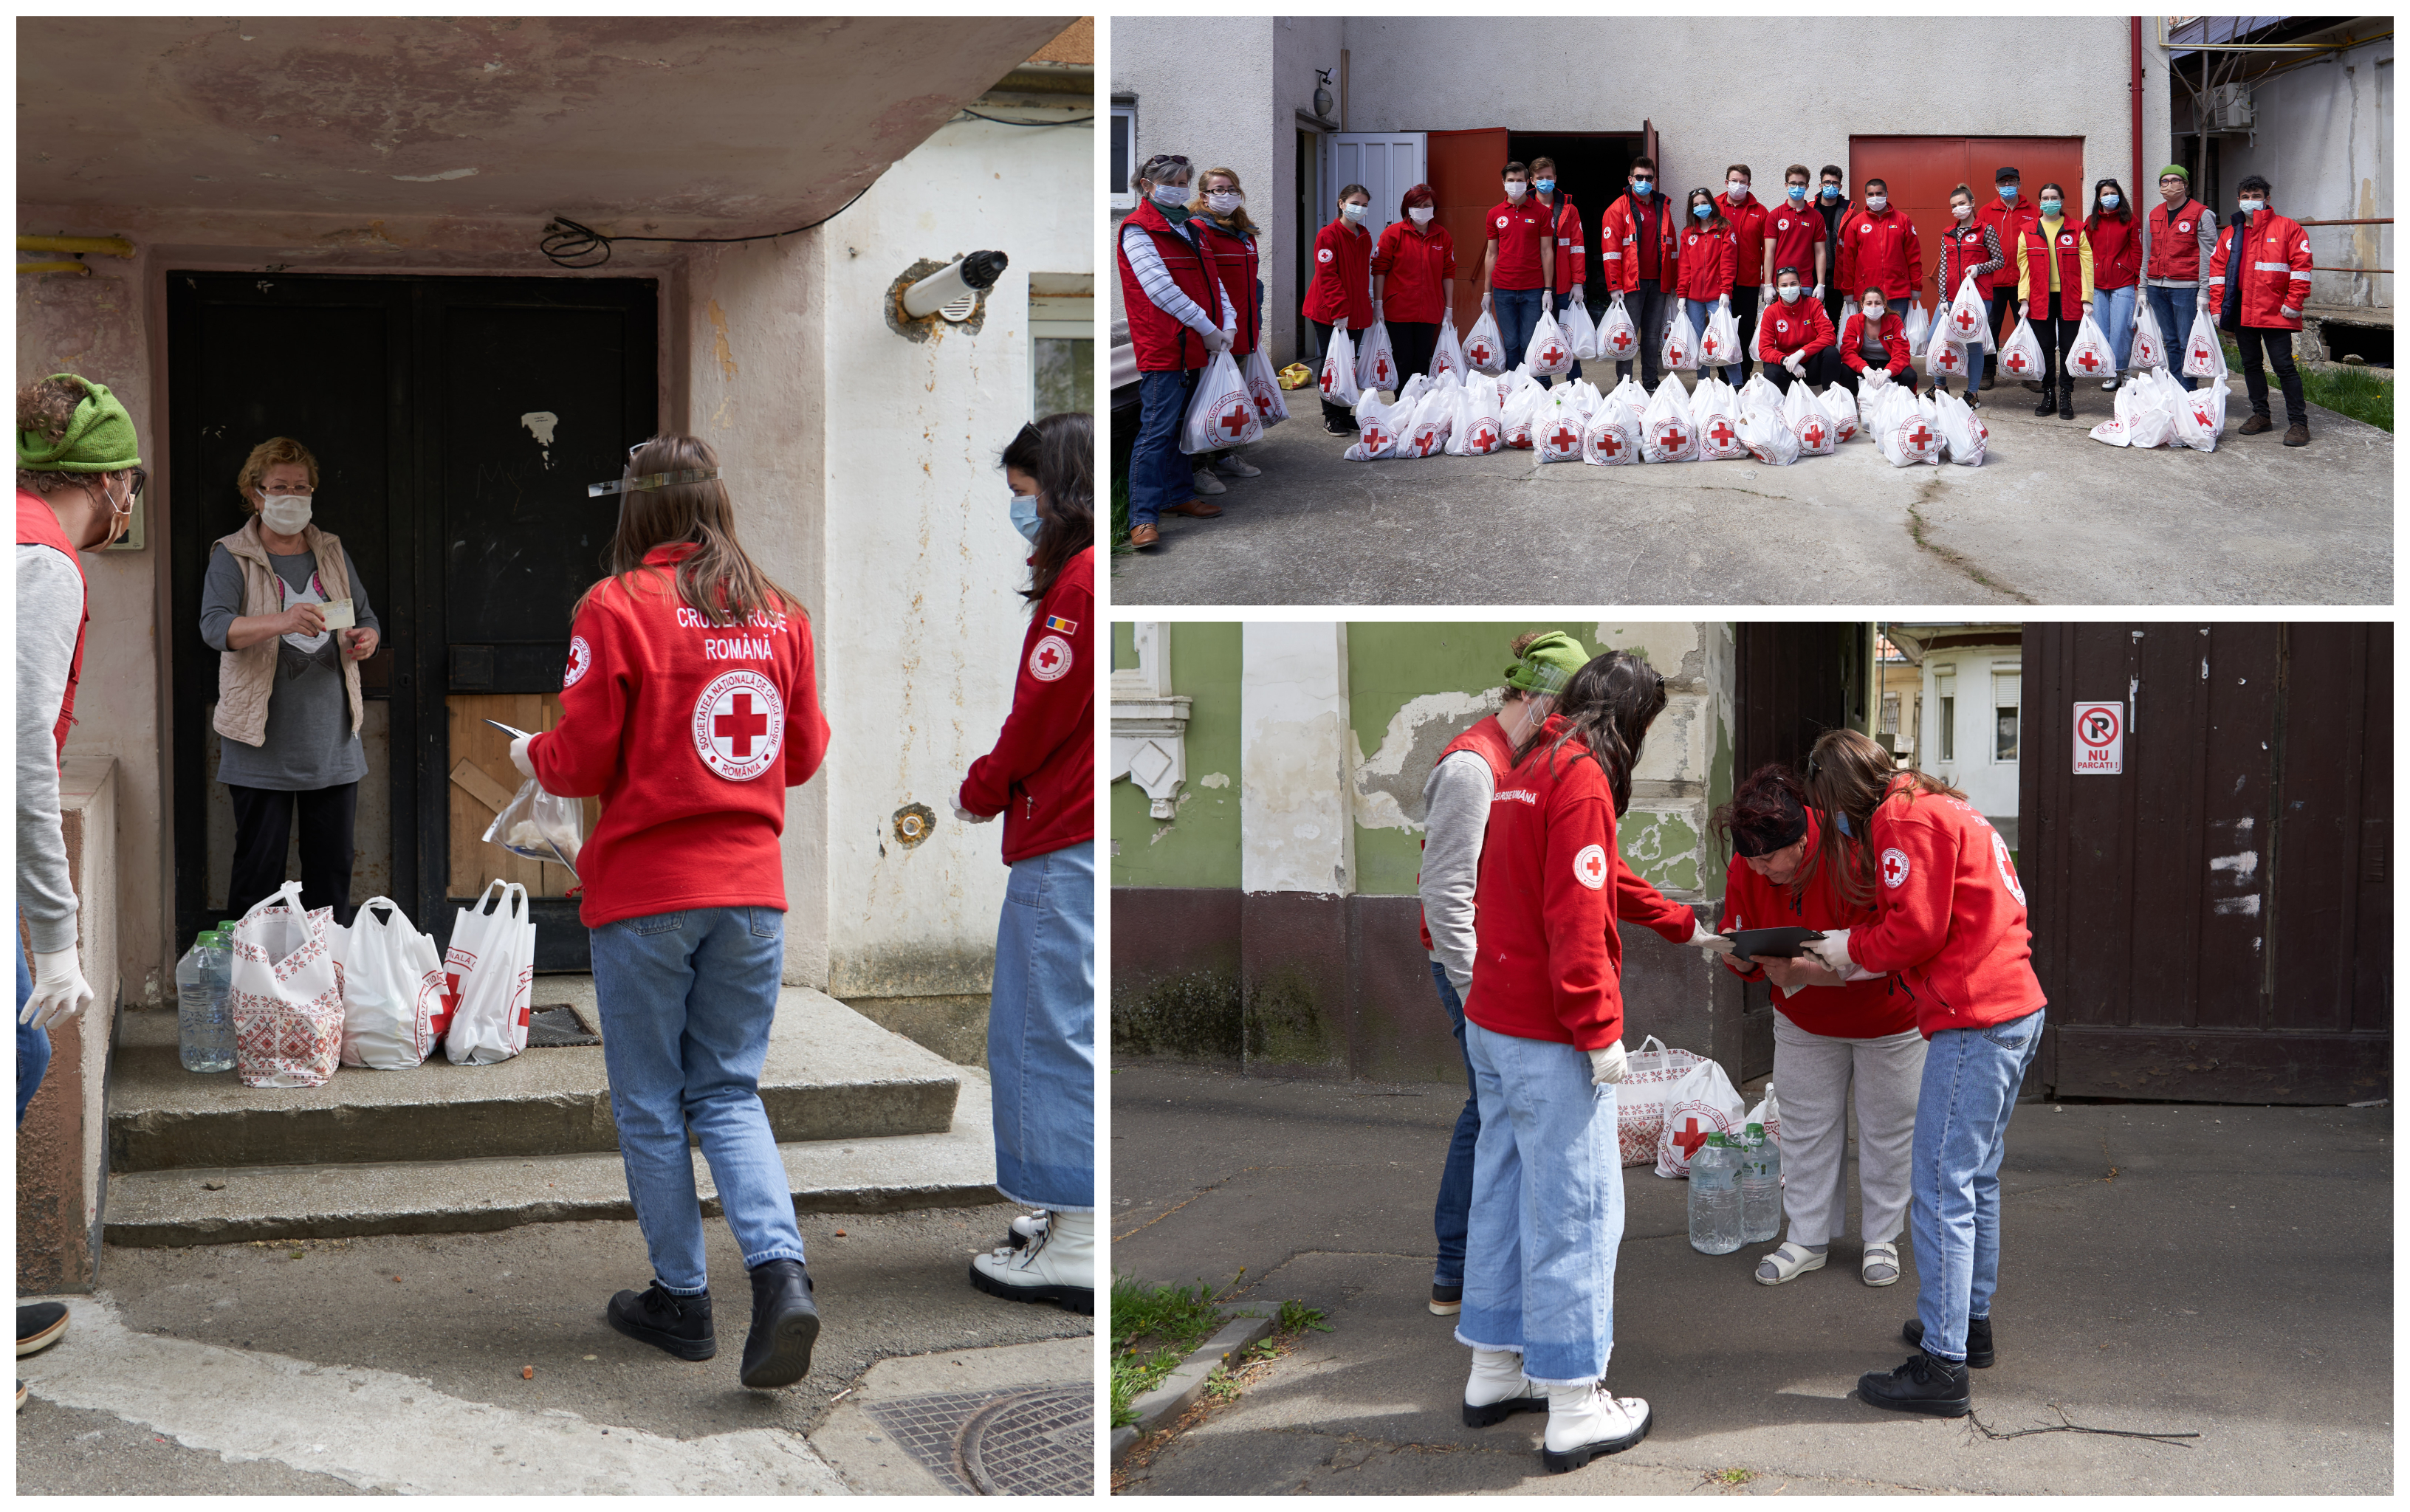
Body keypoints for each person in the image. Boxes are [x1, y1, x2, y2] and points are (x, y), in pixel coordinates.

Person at [521, 434, 831, 1391]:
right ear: (717, 500)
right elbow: (802, 755)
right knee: (729, 1093)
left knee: (652, 1101)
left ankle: (683, 1299)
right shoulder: (780, 612)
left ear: (636, 508)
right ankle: (781, 1277)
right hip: (752, 894)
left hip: (649, 896)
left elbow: (580, 759)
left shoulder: (615, 605)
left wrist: (535, 754)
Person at [1454, 650, 1729, 1473]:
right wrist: (1599, 1029)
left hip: (1494, 1019)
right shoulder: (1580, 778)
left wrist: (1682, 923)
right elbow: (1578, 915)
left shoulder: (1528, 764)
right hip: (1549, 1034)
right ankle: (1575, 1402)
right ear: (1633, 719)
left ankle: (1494, 1370)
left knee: (1503, 1194)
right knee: (1578, 1208)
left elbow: (1597, 876)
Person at [1800, 730, 2045, 1420]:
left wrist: (1846, 946)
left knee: (1939, 1189)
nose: (1837, 824)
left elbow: (1916, 931)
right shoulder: (1943, 804)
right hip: (2014, 1006)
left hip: (1975, 1018)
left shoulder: (1899, 819)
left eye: (1830, 808)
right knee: (1975, 1180)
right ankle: (1969, 1326)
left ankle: (1943, 1365)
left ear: (1842, 794)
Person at [16, 373, 140, 1386]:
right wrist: (57, 936)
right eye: (130, 478)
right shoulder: (43, 564)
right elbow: (20, 756)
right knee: (17, 1054)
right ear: (105, 481)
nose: (130, 498)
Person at [957, 414, 1096, 1312]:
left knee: (1047, 1033)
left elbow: (1039, 713)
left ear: (1058, 486)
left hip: (1060, 836)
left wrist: (983, 785)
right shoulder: (1085, 575)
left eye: (1024, 493)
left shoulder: (1077, 584)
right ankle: (1060, 1205)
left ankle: (1075, 1236)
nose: (1020, 511)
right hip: (1073, 828)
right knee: (1050, 1025)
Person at [1417, 630, 1585, 1316]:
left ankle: (1470, 1271)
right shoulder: (1473, 767)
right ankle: (1457, 1268)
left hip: (1495, 969)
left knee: (1493, 1110)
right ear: (1543, 699)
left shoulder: (1512, 757)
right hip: (1473, 971)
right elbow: (1446, 894)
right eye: (1572, 711)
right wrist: (1473, 989)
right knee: (1490, 1113)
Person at [1710, 764, 1922, 1290]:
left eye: (1768, 860)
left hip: (1889, 1018)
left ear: (1802, 840)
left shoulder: (1856, 846)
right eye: (1749, 859)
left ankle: (1882, 1237)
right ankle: (1808, 1237)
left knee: (1888, 1129)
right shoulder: (1750, 859)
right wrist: (1738, 955)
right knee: (1806, 1127)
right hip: (1802, 1017)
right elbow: (1739, 923)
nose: (1757, 869)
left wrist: (1805, 972)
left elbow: (1892, 947)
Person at [199, 437, 382, 927]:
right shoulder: (233, 555)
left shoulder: (331, 550)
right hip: (260, 743)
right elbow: (215, 628)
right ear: (255, 494)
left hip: (331, 742)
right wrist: (281, 620)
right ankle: (254, 970)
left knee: (332, 869)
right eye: (280, 487)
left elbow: (364, 617)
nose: (292, 496)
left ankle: (326, 968)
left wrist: (367, 639)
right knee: (258, 873)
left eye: (302, 487)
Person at [1114, 154, 1235, 550]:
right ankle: (1143, 517)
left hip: (1196, 344)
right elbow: (1161, 291)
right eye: (1171, 182)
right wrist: (1209, 328)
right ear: (1147, 186)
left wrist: (1228, 322)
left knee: (1182, 425)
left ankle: (1177, 495)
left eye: (1184, 182)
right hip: (1165, 345)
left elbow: (1214, 282)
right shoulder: (1138, 230)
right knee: (1156, 430)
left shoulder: (1190, 227)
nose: (1180, 189)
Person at [2205, 174, 2314, 447]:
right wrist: (2217, 308)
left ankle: (2299, 423)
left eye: (2256, 196)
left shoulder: (2288, 228)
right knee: (2251, 365)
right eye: (2246, 197)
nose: (2251, 201)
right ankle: (2261, 415)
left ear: (2267, 199)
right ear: (2238, 200)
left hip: (2276, 310)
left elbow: (2302, 268)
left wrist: (2294, 302)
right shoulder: (2230, 233)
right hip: (2242, 310)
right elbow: (2217, 274)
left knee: (2284, 367)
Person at [1188, 167, 1266, 496]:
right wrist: (1212, 329)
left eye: (1232, 188)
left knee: (1231, 398)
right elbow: (1200, 285)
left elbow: (1252, 285)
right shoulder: (1198, 230)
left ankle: (1224, 454)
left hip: (1242, 331)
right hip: (1214, 333)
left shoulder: (1244, 232)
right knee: (1204, 401)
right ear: (1204, 196)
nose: (1227, 194)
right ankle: (1198, 467)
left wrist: (1254, 325)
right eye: (1218, 189)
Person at [2012, 182, 2095, 419]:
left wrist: (2087, 298)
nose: (2050, 202)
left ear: (2062, 201)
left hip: (2071, 297)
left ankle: (2066, 395)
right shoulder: (2027, 230)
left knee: (2069, 348)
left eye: (2054, 197)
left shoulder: (2077, 229)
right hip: (2040, 298)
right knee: (2045, 348)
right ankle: (2048, 394)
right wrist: (2024, 299)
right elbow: (2023, 269)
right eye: (2046, 198)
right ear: (2040, 203)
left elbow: (2087, 266)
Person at [1306, 182, 1378, 433]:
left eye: (1364, 205)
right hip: (1330, 312)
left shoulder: (1364, 236)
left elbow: (1361, 277)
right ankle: (1331, 416)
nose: (1360, 208)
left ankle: (1344, 412)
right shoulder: (1328, 235)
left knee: (1348, 364)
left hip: (1355, 313)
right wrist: (1340, 311)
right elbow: (1327, 276)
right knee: (1332, 364)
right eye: (1355, 203)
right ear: (1341, 204)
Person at [1599, 158, 1675, 391]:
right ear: (1630, 179)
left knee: (1652, 336)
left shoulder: (1662, 207)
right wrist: (1614, 285)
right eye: (1639, 177)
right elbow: (1610, 252)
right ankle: (1624, 384)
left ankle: (1651, 381)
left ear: (1654, 180)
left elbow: (1671, 248)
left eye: (1648, 177)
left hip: (1658, 282)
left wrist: (1673, 282)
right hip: (1631, 284)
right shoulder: (1617, 209)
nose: (1644, 181)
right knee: (1627, 335)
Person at [1373, 182, 1457, 385]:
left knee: (1422, 359)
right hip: (1398, 309)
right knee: (1403, 358)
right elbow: (1379, 270)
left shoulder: (1442, 236)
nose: (1422, 209)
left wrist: (1449, 307)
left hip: (1430, 309)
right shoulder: (1392, 233)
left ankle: (1420, 400)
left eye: (1427, 205)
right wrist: (1378, 303)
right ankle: (1402, 400)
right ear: (1407, 208)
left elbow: (1448, 272)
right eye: (1417, 205)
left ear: (1434, 207)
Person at [1477, 162, 1554, 380]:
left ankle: (1534, 389)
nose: (1515, 184)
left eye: (1520, 180)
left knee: (1530, 343)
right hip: (1503, 289)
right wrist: (1487, 292)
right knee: (1510, 344)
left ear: (1528, 182)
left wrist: (1548, 290)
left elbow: (1547, 251)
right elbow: (1491, 254)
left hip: (1533, 289)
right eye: (1511, 181)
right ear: (1503, 183)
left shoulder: (1541, 212)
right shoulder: (1494, 214)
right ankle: (1512, 388)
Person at [2144, 165, 2217, 393]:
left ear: (2185, 184)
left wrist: (2205, 291)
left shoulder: (2201, 214)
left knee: (2187, 342)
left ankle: (2188, 388)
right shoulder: (2153, 215)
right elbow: (2147, 253)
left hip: (2187, 288)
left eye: (2175, 180)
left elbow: (2209, 256)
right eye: (2164, 181)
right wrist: (2143, 288)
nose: (2169, 185)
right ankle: (2174, 386)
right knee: (2170, 341)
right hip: (2156, 287)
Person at [1933, 185, 2004, 405]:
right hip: (1951, 296)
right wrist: (1942, 298)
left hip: (1977, 297)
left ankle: (1972, 394)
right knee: (1936, 339)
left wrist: (1978, 268)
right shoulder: (1947, 232)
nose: (1958, 208)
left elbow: (1999, 260)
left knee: (1973, 344)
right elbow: (1944, 267)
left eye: (1962, 203)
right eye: (1954, 206)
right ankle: (1939, 387)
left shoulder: (1986, 230)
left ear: (1972, 203)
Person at [1974, 166, 2039, 391]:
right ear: (1996, 186)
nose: (2007, 186)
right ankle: (1987, 371)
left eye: (2012, 181)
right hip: (1993, 282)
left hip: (2024, 281)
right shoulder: (1986, 211)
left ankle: (2030, 373)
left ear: (2019, 184)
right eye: (2003, 182)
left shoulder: (2033, 210)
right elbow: (1979, 246)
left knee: (2027, 326)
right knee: (1990, 327)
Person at [1835, 179, 1922, 326]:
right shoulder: (1856, 223)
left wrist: (1916, 286)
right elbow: (1848, 260)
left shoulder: (1903, 220)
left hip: (1897, 291)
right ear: (1865, 196)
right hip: (1866, 294)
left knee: (1895, 333)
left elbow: (1913, 256)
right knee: (1869, 335)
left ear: (1886, 194)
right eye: (1871, 194)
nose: (1875, 197)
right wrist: (1848, 290)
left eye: (1879, 193)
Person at [1531, 158, 1586, 387]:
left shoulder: (1569, 210)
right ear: (1532, 181)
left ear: (1555, 179)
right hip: (1535, 284)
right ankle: (1543, 385)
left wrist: (1578, 282)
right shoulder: (1526, 208)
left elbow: (1577, 247)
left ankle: (1574, 385)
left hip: (1564, 285)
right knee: (1542, 336)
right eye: (1540, 178)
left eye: (1549, 177)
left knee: (1569, 336)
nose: (1545, 181)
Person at [1762, 165, 1830, 344]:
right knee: (1779, 335)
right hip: (1779, 285)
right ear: (1786, 185)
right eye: (1793, 183)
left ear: (1807, 187)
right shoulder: (1774, 215)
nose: (1797, 187)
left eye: (1801, 184)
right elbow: (1769, 253)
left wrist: (1821, 284)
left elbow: (1820, 252)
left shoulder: (1816, 217)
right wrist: (1768, 284)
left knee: (1806, 332)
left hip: (1805, 284)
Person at [2084, 179, 2142, 391]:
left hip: (2123, 282)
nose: (2109, 197)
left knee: (2122, 330)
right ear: (2099, 198)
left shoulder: (2130, 220)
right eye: (2105, 194)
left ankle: (2124, 372)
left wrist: (2139, 283)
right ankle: (2110, 373)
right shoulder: (2091, 221)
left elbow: (2137, 252)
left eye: (2113, 193)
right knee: (2102, 330)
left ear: (2120, 195)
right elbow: (2086, 253)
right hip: (2097, 284)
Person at [1675, 188, 1737, 382]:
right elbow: (1684, 266)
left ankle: (1736, 384)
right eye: (1696, 205)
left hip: (1717, 295)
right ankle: (1703, 384)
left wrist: (1726, 290)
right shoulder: (1688, 233)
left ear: (1711, 203)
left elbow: (1728, 262)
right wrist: (1682, 295)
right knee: (1699, 341)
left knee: (1726, 340)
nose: (1700, 207)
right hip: (1693, 298)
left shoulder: (1724, 227)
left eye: (1704, 203)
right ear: (1691, 209)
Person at [1755, 266, 1844, 396]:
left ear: (1800, 286)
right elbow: (1764, 350)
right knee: (1770, 370)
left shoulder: (1814, 304)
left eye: (1793, 284)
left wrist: (1801, 353)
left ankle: (1830, 397)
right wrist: (1785, 360)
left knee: (1831, 353)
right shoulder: (1771, 312)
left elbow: (1829, 336)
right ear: (1778, 289)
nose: (1789, 288)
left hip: (1811, 365)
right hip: (1788, 368)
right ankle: (1786, 400)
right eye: (1784, 285)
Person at [1720, 165, 1768, 384]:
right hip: (1721, 283)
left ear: (1749, 184)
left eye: (1743, 182)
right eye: (1734, 181)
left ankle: (1744, 377)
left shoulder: (1760, 211)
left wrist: (1766, 281)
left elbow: (1767, 249)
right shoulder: (1714, 207)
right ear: (1726, 182)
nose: (1738, 185)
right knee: (1723, 329)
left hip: (1749, 282)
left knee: (1746, 329)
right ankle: (1724, 376)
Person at [1837, 286, 1918, 395]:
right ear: (1862, 305)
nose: (1873, 307)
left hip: (1889, 364)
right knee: (1843, 371)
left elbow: (1902, 353)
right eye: (1869, 303)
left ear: (1884, 304)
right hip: (1864, 365)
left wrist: (1888, 371)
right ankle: (1858, 397)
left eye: (1878, 303)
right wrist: (1864, 368)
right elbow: (1847, 352)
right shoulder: (1853, 321)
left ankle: (1894, 397)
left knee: (1910, 375)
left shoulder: (1895, 321)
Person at [1813, 165, 1853, 332]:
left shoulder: (1849, 211)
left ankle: (1831, 349)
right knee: (1812, 321)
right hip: (1813, 276)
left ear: (1840, 186)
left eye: (1835, 183)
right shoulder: (1810, 209)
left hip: (1837, 277)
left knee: (1833, 321)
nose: (1831, 186)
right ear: (1820, 185)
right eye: (1827, 182)